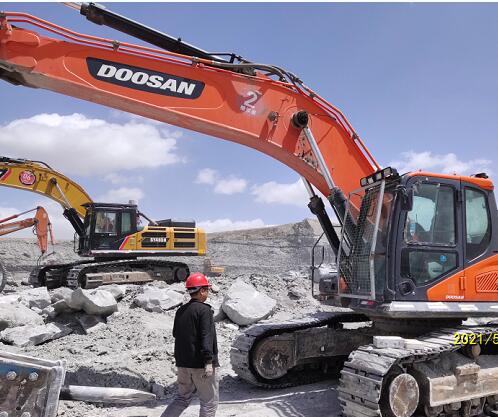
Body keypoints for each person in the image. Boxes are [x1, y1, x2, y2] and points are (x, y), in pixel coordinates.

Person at [161, 272, 219, 417]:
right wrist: (208, 361)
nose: (207, 292)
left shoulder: (181, 311)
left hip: (183, 364)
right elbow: (206, 337)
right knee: (209, 403)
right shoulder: (204, 311)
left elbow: (176, 334)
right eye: (207, 289)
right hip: (200, 365)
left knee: (182, 398)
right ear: (202, 291)